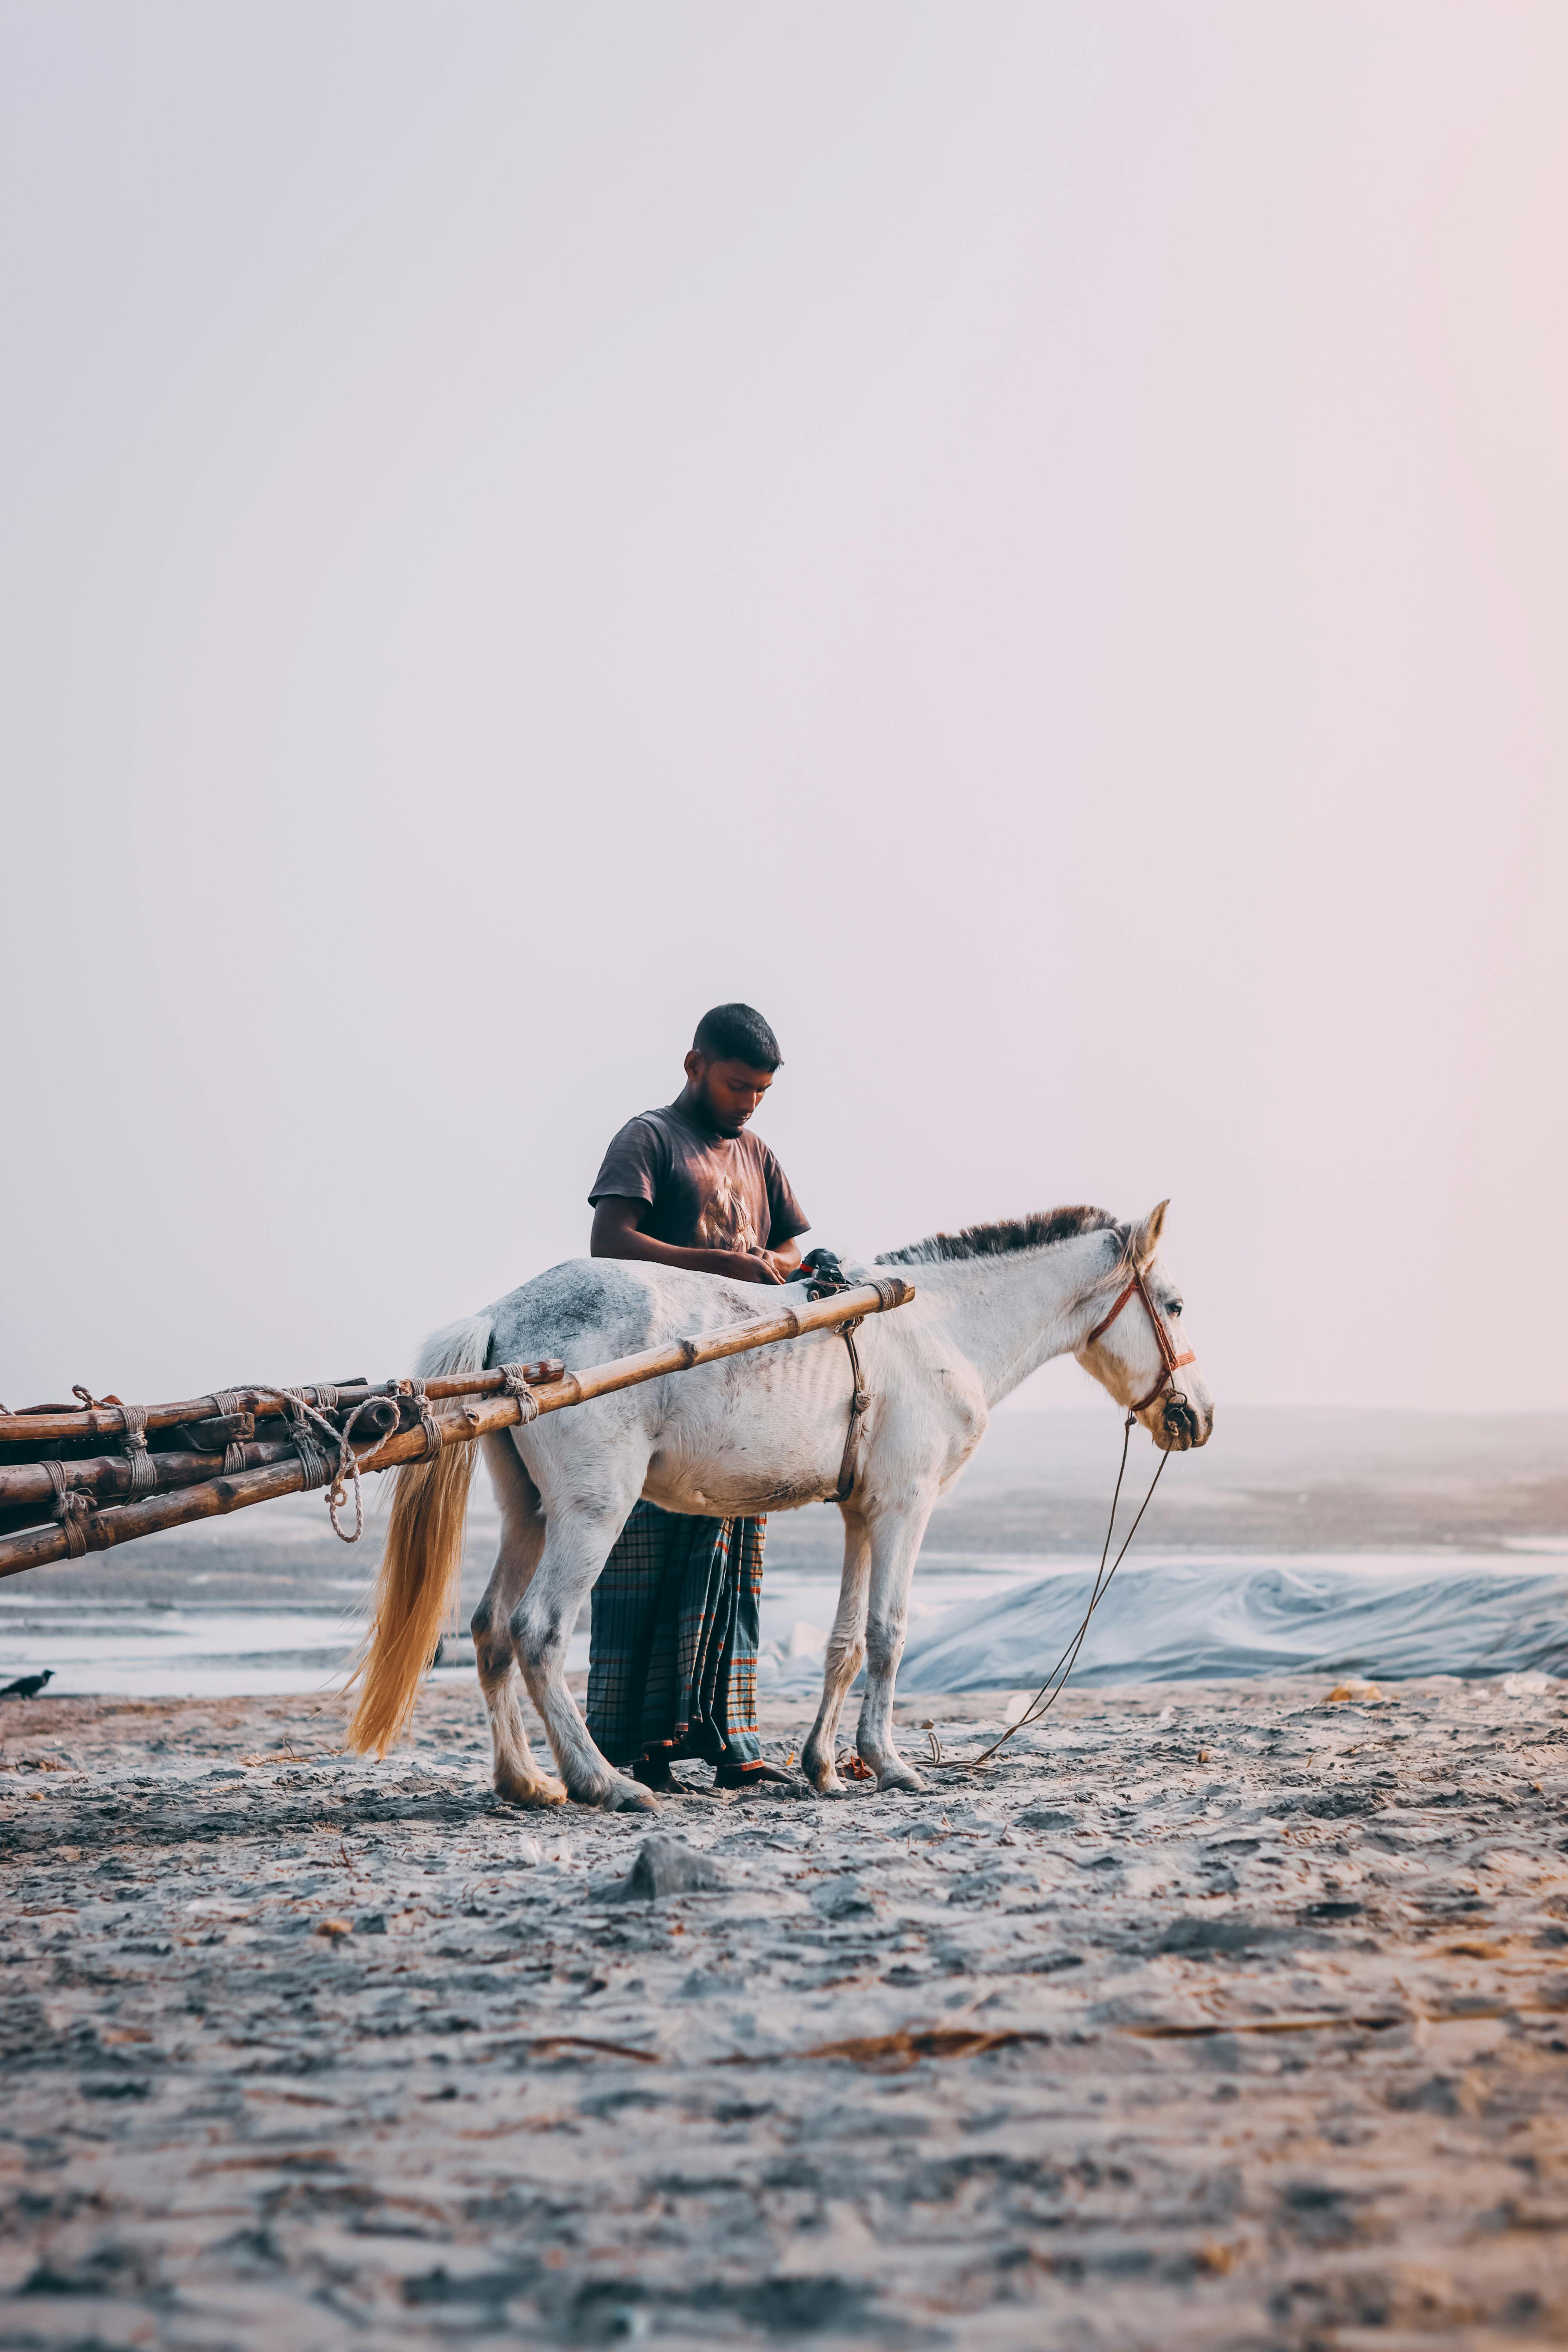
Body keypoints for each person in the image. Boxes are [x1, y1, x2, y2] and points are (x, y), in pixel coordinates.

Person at [584, 1003, 809, 1789]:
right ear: (693, 1066)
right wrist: (725, 1267)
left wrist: (772, 1267)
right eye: (736, 1085)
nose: (748, 1103)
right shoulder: (648, 1138)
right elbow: (608, 1245)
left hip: (738, 1401)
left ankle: (731, 1742)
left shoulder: (759, 1156)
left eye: (760, 1092)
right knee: (639, 1572)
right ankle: (630, 1749)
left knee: (734, 1564)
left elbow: (786, 1249)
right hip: (649, 1395)